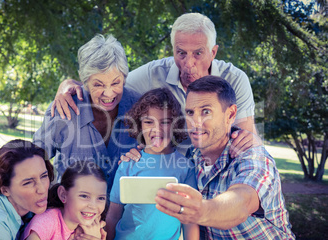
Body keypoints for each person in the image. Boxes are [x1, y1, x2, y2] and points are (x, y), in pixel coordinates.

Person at [50, 12, 259, 157]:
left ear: (213, 52)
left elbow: (246, 140)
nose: (189, 63)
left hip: (211, 166)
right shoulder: (152, 74)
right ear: (172, 50)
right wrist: (68, 85)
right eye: (181, 53)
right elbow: (110, 83)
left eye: (198, 53)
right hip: (165, 171)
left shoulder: (235, 79)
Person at [155, 76, 310, 240]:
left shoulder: (252, 157)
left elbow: (242, 201)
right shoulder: (188, 159)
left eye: (206, 112)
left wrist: (202, 210)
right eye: (190, 112)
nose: (195, 122)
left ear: (230, 115)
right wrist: (137, 155)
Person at [33, 34, 140, 191]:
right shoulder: (64, 108)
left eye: (115, 83)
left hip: (125, 214)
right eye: (98, 84)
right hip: (70, 212)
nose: (109, 94)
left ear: (124, 78)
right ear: (84, 81)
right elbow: (34, 159)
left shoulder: (140, 106)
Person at [105, 88, 199, 240]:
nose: (157, 129)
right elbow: (113, 214)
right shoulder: (128, 164)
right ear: (140, 126)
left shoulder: (185, 168)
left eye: (165, 122)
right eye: (149, 122)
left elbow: (190, 221)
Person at [16, 160, 107, 240]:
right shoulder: (45, 223)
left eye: (100, 198)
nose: (93, 206)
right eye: (84, 196)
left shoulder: (91, 227)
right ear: (63, 194)